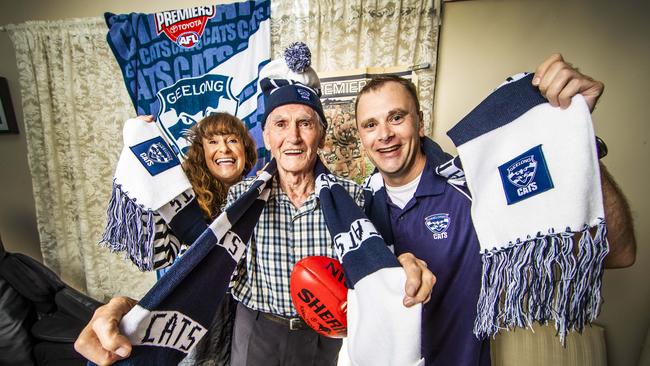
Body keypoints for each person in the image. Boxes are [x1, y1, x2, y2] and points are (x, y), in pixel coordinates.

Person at [75, 49, 434, 365]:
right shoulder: (242, 199)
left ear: (320, 135)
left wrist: (402, 265)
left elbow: (381, 268)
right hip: (256, 329)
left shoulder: (355, 198)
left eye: (305, 124)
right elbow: (201, 263)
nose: (293, 137)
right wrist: (148, 152)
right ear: (267, 136)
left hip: (325, 340)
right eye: (280, 124)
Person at [355, 53, 637, 366]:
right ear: (361, 136)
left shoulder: (475, 186)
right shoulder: (357, 209)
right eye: (370, 124)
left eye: (396, 117)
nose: (384, 134)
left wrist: (577, 135)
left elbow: (618, 253)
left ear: (420, 123)